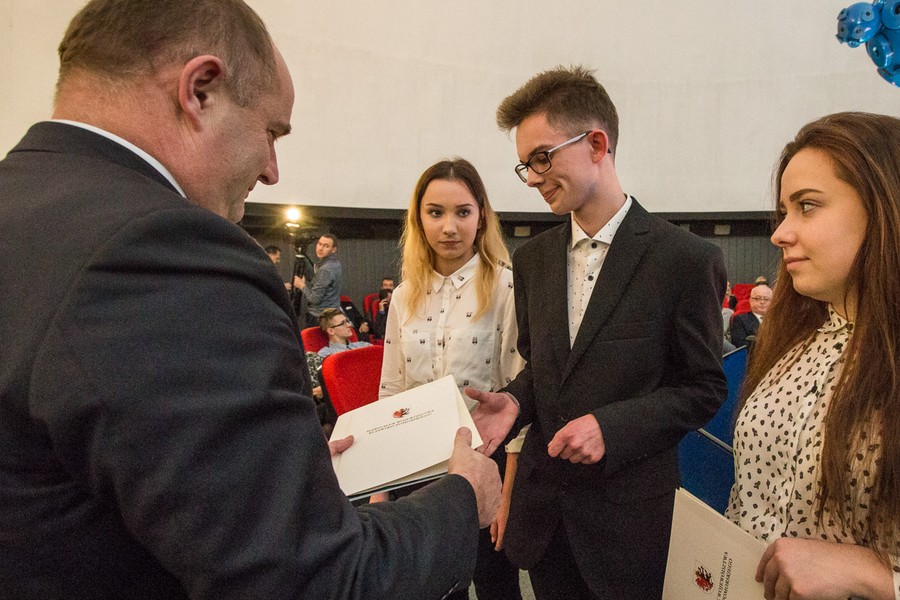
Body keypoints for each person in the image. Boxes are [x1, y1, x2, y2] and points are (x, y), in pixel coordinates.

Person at [0, 1, 502, 597]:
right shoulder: (167, 250)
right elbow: (317, 581)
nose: (271, 170)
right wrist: (462, 497)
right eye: (271, 132)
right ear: (200, 90)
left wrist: (266, 457)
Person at [468, 65, 727, 600]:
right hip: (546, 519)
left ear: (596, 143)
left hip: (629, 522)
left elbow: (703, 387)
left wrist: (613, 427)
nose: (534, 177)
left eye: (542, 158)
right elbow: (546, 369)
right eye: (525, 165)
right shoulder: (534, 260)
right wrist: (516, 400)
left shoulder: (684, 258)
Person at [726, 112, 900, 600]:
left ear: (884, 207)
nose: (780, 232)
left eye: (807, 206)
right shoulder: (794, 342)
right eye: (783, 211)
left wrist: (872, 574)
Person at [379, 158, 525, 600]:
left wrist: (509, 492)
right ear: (418, 218)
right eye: (435, 212)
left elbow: (518, 389)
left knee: (498, 586)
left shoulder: (506, 287)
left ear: (481, 216)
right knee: (437, 589)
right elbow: (392, 391)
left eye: (462, 211)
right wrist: (382, 487)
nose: (449, 227)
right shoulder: (404, 296)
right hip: (419, 470)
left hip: (487, 464)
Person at [297, 233, 342, 320]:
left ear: (333, 249)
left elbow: (314, 299)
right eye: (319, 244)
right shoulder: (335, 263)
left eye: (326, 246)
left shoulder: (326, 269)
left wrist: (301, 285)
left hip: (319, 316)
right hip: (330, 315)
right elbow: (316, 279)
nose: (320, 248)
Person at [730, 283, 772, 348]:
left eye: (766, 299)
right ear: (751, 301)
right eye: (758, 298)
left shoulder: (779, 320)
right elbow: (741, 345)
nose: (762, 302)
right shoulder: (740, 320)